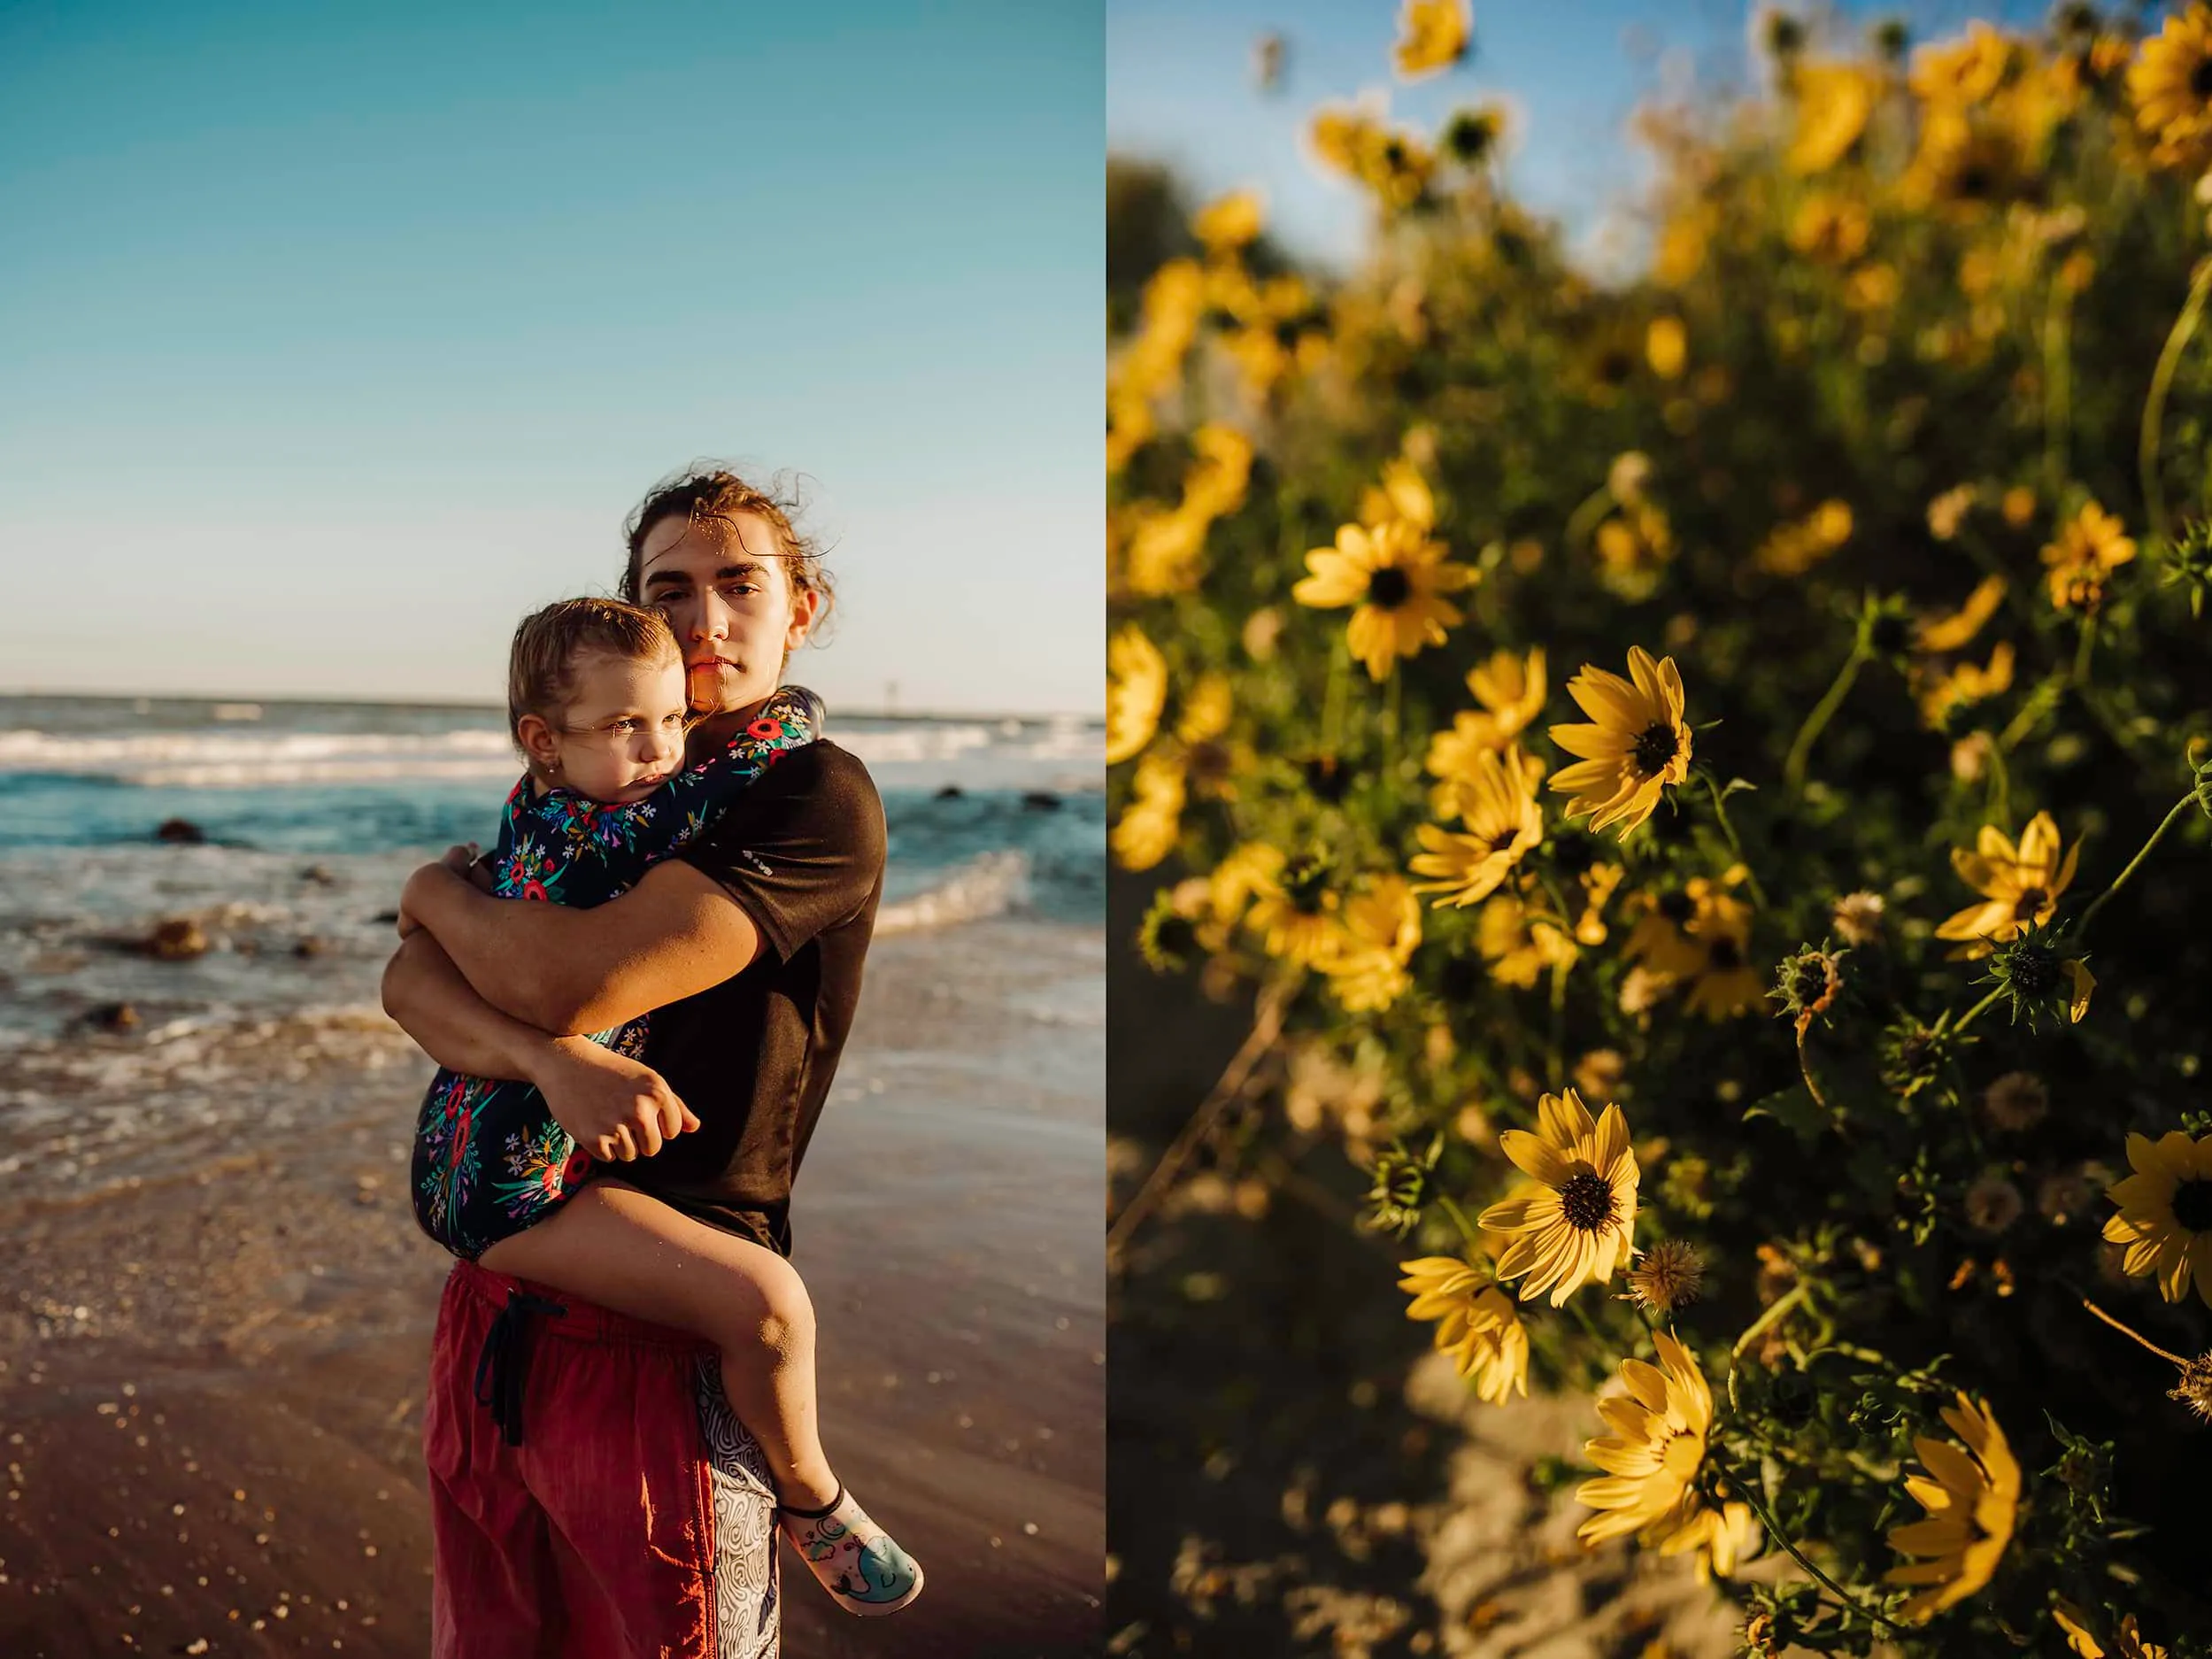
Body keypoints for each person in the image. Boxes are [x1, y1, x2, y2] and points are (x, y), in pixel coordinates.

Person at [382, 467, 898, 1655]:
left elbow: (569, 977)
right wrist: (526, 1037)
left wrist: (438, 903)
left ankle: (817, 1496)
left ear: (799, 606)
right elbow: (408, 983)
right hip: (500, 1309)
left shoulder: (806, 791)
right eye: (671, 592)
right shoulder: (578, 791)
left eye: (739, 584)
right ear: (631, 619)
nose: (704, 620)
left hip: (664, 1333)